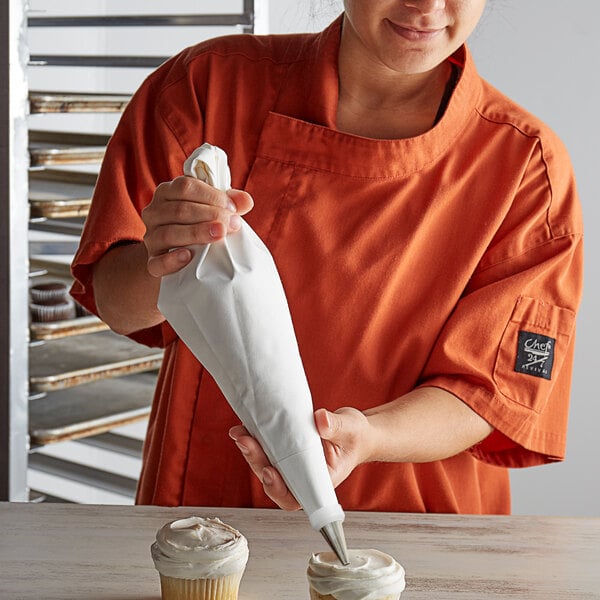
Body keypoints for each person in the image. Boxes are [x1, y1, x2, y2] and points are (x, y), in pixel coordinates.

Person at [71, 0, 583, 515]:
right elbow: (118, 303)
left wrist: (365, 439)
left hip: (416, 524)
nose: (426, 5)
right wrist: (165, 257)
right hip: (209, 513)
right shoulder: (205, 86)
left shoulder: (527, 167)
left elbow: (496, 393)